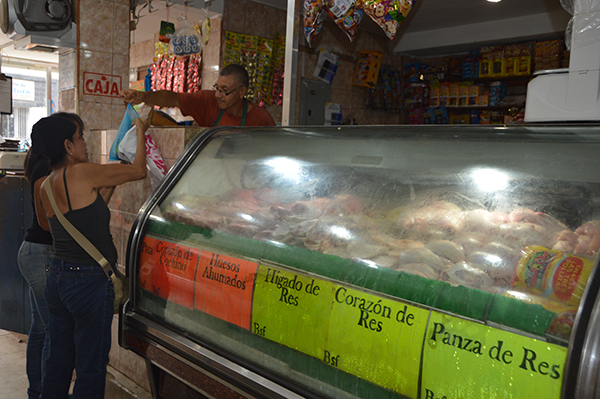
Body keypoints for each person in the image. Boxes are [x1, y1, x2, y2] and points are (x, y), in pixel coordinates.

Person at [31, 113, 148, 399]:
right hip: (88, 284)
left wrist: (103, 191)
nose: (85, 142)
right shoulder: (83, 172)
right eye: (81, 136)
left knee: (58, 361)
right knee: (91, 366)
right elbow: (139, 170)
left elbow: (56, 226)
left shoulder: (44, 185)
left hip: (58, 279)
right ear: (68, 146)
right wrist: (142, 131)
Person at [17, 137, 55, 399]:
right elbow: (45, 224)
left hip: (35, 253)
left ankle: (37, 392)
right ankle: (48, 394)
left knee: (40, 328)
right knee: (53, 330)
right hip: (40, 254)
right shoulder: (45, 168)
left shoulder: (41, 165)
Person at [121, 63, 276, 127]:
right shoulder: (208, 101)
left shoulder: (261, 119)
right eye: (217, 88)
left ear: (242, 92)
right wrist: (143, 97)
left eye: (224, 90)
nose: (218, 95)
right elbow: (173, 98)